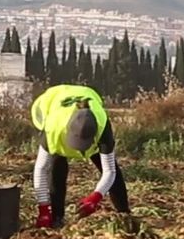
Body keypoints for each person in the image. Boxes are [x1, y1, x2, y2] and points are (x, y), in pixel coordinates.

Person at [30, 84, 130, 229]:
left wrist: (96, 197)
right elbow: (40, 169)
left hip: (87, 95)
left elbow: (110, 171)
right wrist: (43, 209)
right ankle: (57, 217)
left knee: (111, 169)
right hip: (52, 102)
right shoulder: (53, 129)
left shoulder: (102, 128)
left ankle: (124, 214)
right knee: (56, 167)